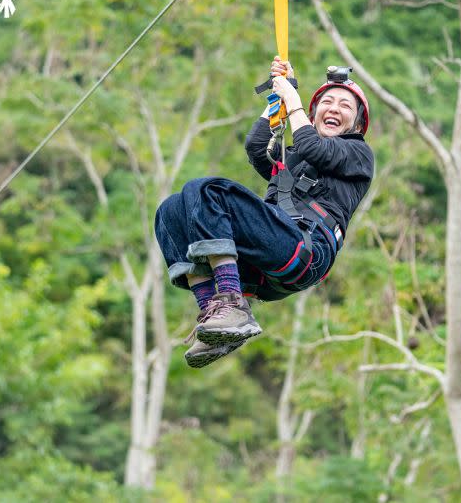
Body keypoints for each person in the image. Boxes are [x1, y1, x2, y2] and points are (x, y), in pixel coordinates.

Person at [154, 57, 374, 368]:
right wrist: (278, 94)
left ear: (357, 124)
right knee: (171, 211)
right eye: (327, 102)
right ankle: (215, 316)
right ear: (314, 114)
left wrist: (293, 101)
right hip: (268, 260)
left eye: (344, 106)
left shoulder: (358, 153)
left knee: (207, 190)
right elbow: (258, 147)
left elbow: (314, 148)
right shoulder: (296, 157)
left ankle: (232, 303)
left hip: (307, 249)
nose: (334, 109)